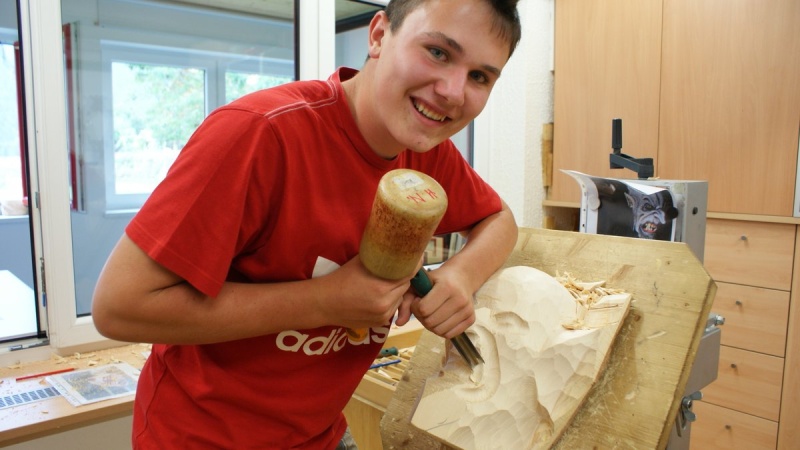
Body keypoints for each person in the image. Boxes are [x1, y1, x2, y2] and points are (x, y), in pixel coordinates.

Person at [92, 0, 522, 448]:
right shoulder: (259, 134)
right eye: (437, 52)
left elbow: (499, 220)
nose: (453, 92)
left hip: (318, 432)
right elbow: (119, 306)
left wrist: (460, 275)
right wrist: (326, 301)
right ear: (378, 35)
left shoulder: (425, 153)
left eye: (480, 76)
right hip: (202, 437)